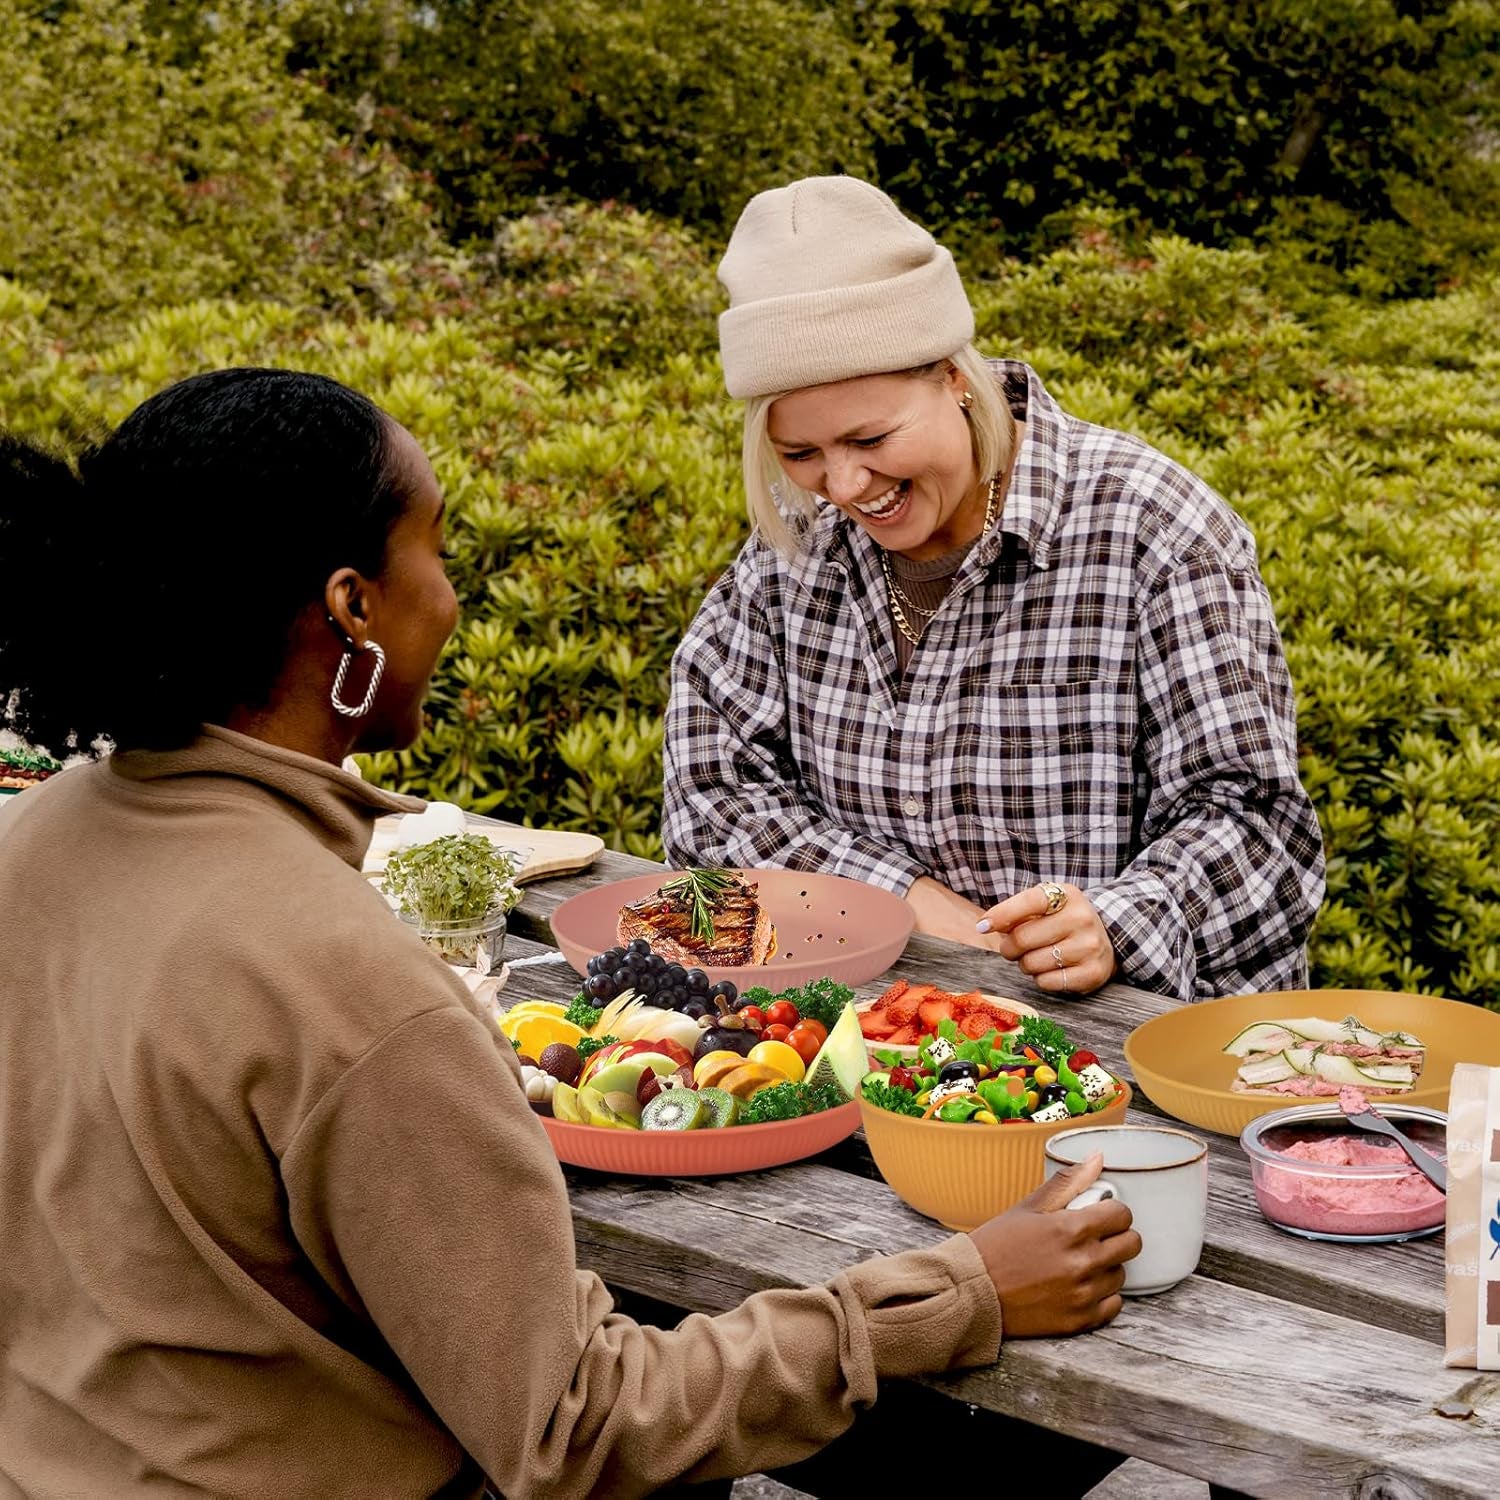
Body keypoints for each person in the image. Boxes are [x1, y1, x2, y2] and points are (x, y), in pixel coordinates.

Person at [0, 369, 1140, 1498]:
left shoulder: (35, 839)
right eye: (438, 550)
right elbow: (572, 1428)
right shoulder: (355, 993)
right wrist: (959, 1293)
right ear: (353, 608)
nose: (452, 598)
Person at [662, 175, 1325, 1002]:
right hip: (872, 1029)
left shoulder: (1154, 530)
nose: (844, 484)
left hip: (1126, 1048)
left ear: (953, 376)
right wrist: (906, 902)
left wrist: (1117, 922)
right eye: (801, 454)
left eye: (872, 438)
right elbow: (710, 799)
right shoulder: (787, 556)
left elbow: (1261, 829)